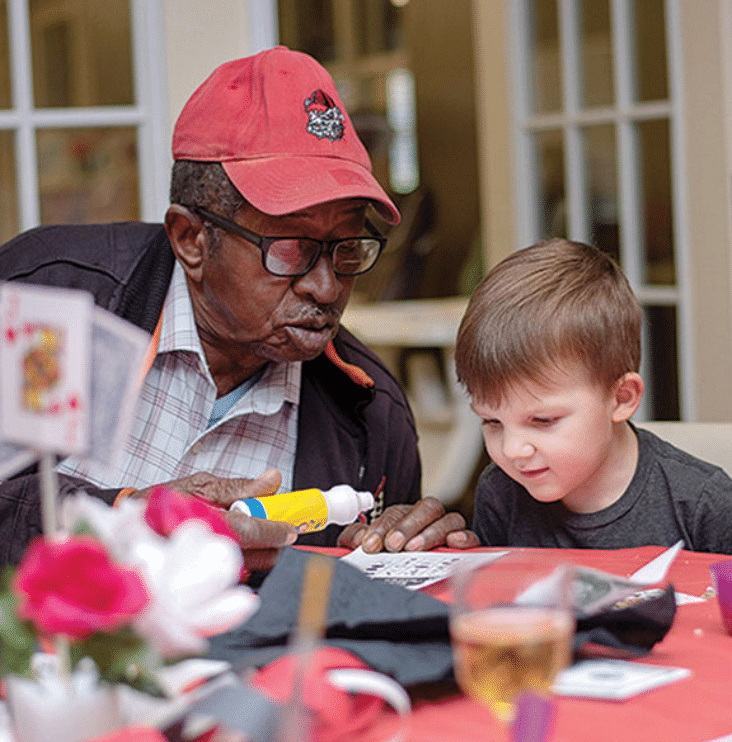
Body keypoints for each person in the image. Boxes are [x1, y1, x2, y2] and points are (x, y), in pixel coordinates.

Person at [0, 46, 477, 572]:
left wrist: (406, 559)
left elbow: (337, 621)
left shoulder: (370, 417)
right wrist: (123, 519)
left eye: (346, 248)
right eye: (291, 248)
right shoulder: (54, 304)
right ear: (191, 239)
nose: (325, 286)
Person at [454, 237, 732, 553]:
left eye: (543, 420)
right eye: (492, 421)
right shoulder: (502, 494)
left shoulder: (704, 505)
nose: (512, 449)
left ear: (622, 398)